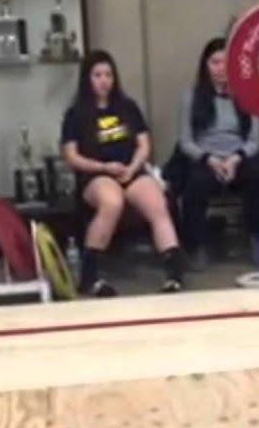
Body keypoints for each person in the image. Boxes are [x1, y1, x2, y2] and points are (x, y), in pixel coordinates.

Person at [61, 50, 186, 295]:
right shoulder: (76, 114)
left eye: (108, 74)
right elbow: (71, 155)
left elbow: (144, 144)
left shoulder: (127, 107)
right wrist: (103, 168)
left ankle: (174, 273)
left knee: (156, 203)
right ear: (87, 78)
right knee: (112, 201)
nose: (104, 80)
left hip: (130, 170)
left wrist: (132, 168)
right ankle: (90, 275)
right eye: (97, 75)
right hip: (97, 174)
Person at [175, 37, 259, 264]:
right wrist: (210, 159)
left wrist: (234, 160)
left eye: (225, 62)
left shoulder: (246, 95)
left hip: (238, 158)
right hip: (205, 159)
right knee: (195, 183)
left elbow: (254, 140)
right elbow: (185, 141)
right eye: (214, 62)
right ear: (205, 66)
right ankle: (196, 246)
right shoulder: (191, 97)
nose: (220, 69)